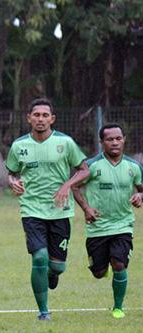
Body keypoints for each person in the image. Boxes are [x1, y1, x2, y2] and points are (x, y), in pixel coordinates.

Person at [6, 98, 87, 321]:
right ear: (29, 118)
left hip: (60, 211)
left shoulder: (66, 143)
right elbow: (12, 172)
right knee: (39, 257)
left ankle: (52, 274)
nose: (40, 119)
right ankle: (43, 311)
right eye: (36, 115)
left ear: (52, 119)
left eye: (45, 115)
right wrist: (12, 181)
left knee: (57, 267)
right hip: (31, 210)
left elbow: (84, 170)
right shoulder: (19, 146)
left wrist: (66, 185)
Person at [63, 124, 142, 319]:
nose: (114, 142)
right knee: (98, 272)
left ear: (123, 140)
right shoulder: (91, 166)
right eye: (109, 139)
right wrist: (87, 209)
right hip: (97, 228)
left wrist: (140, 196)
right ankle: (100, 268)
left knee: (119, 264)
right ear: (101, 143)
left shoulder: (134, 166)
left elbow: (141, 188)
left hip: (123, 225)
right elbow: (74, 187)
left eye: (118, 138)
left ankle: (118, 308)